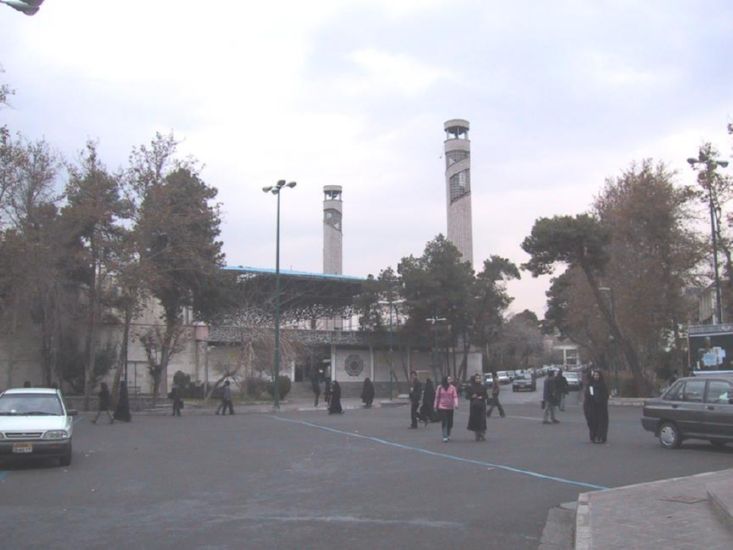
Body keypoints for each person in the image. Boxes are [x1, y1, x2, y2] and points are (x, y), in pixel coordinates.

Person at [584, 370, 609, 443]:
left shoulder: (602, 385)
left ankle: (600, 437)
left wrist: (600, 400)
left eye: (597, 375)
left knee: (601, 422)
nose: (596, 376)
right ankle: (593, 436)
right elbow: (588, 395)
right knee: (593, 422)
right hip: (592, 407)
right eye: (595, 375)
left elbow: (605, 395)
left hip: (601, 407)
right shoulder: (590, 385)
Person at [434, 375, 459, 442]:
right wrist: (435, 405)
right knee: (444, 421)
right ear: (445, 380)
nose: (450, 380)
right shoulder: (439, 387)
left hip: (450, 407)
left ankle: (448, 434)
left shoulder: (452, 388)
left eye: (450, 379)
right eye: (448, 379)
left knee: (450, 422)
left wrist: (456, 404)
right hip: (442, 406)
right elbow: (437, 397)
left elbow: (455, 396)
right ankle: (444, 436)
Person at [466, 373, 488, 441]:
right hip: (474, 406)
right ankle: (477, 435)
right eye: (477, 378)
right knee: (476, 420)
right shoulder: (471, 387)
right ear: (474, 379)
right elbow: (467, 396)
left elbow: (486, 396)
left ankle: (482, 434)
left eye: (479, 378)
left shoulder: (483, 387)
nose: (478, 380)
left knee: (482, 420)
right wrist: (472, 396)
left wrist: (482, 397)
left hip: (482, 405)